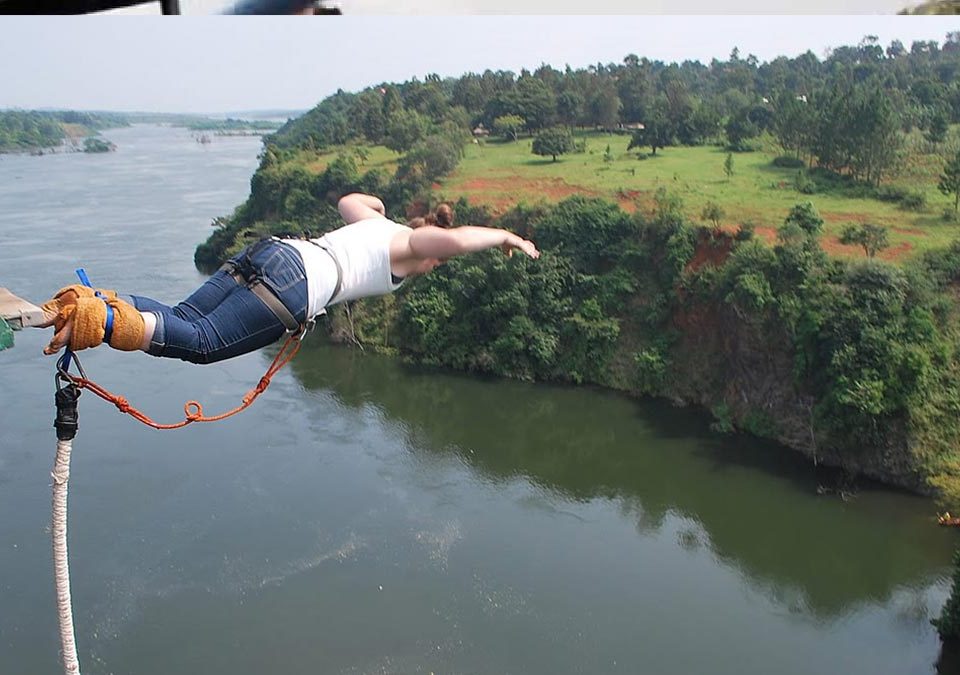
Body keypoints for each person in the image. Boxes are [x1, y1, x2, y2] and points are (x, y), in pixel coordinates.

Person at [39, 193, 540, 364]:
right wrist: (505, 237)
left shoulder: (375, 223)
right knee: (203, 342)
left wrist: (381, 207)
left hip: (275, 250)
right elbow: (451, 242)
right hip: (297, 285)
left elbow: (352, 199)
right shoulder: (410, 247)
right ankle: (101, 319)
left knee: (185, 317)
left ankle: (98, 299)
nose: (432, 264)